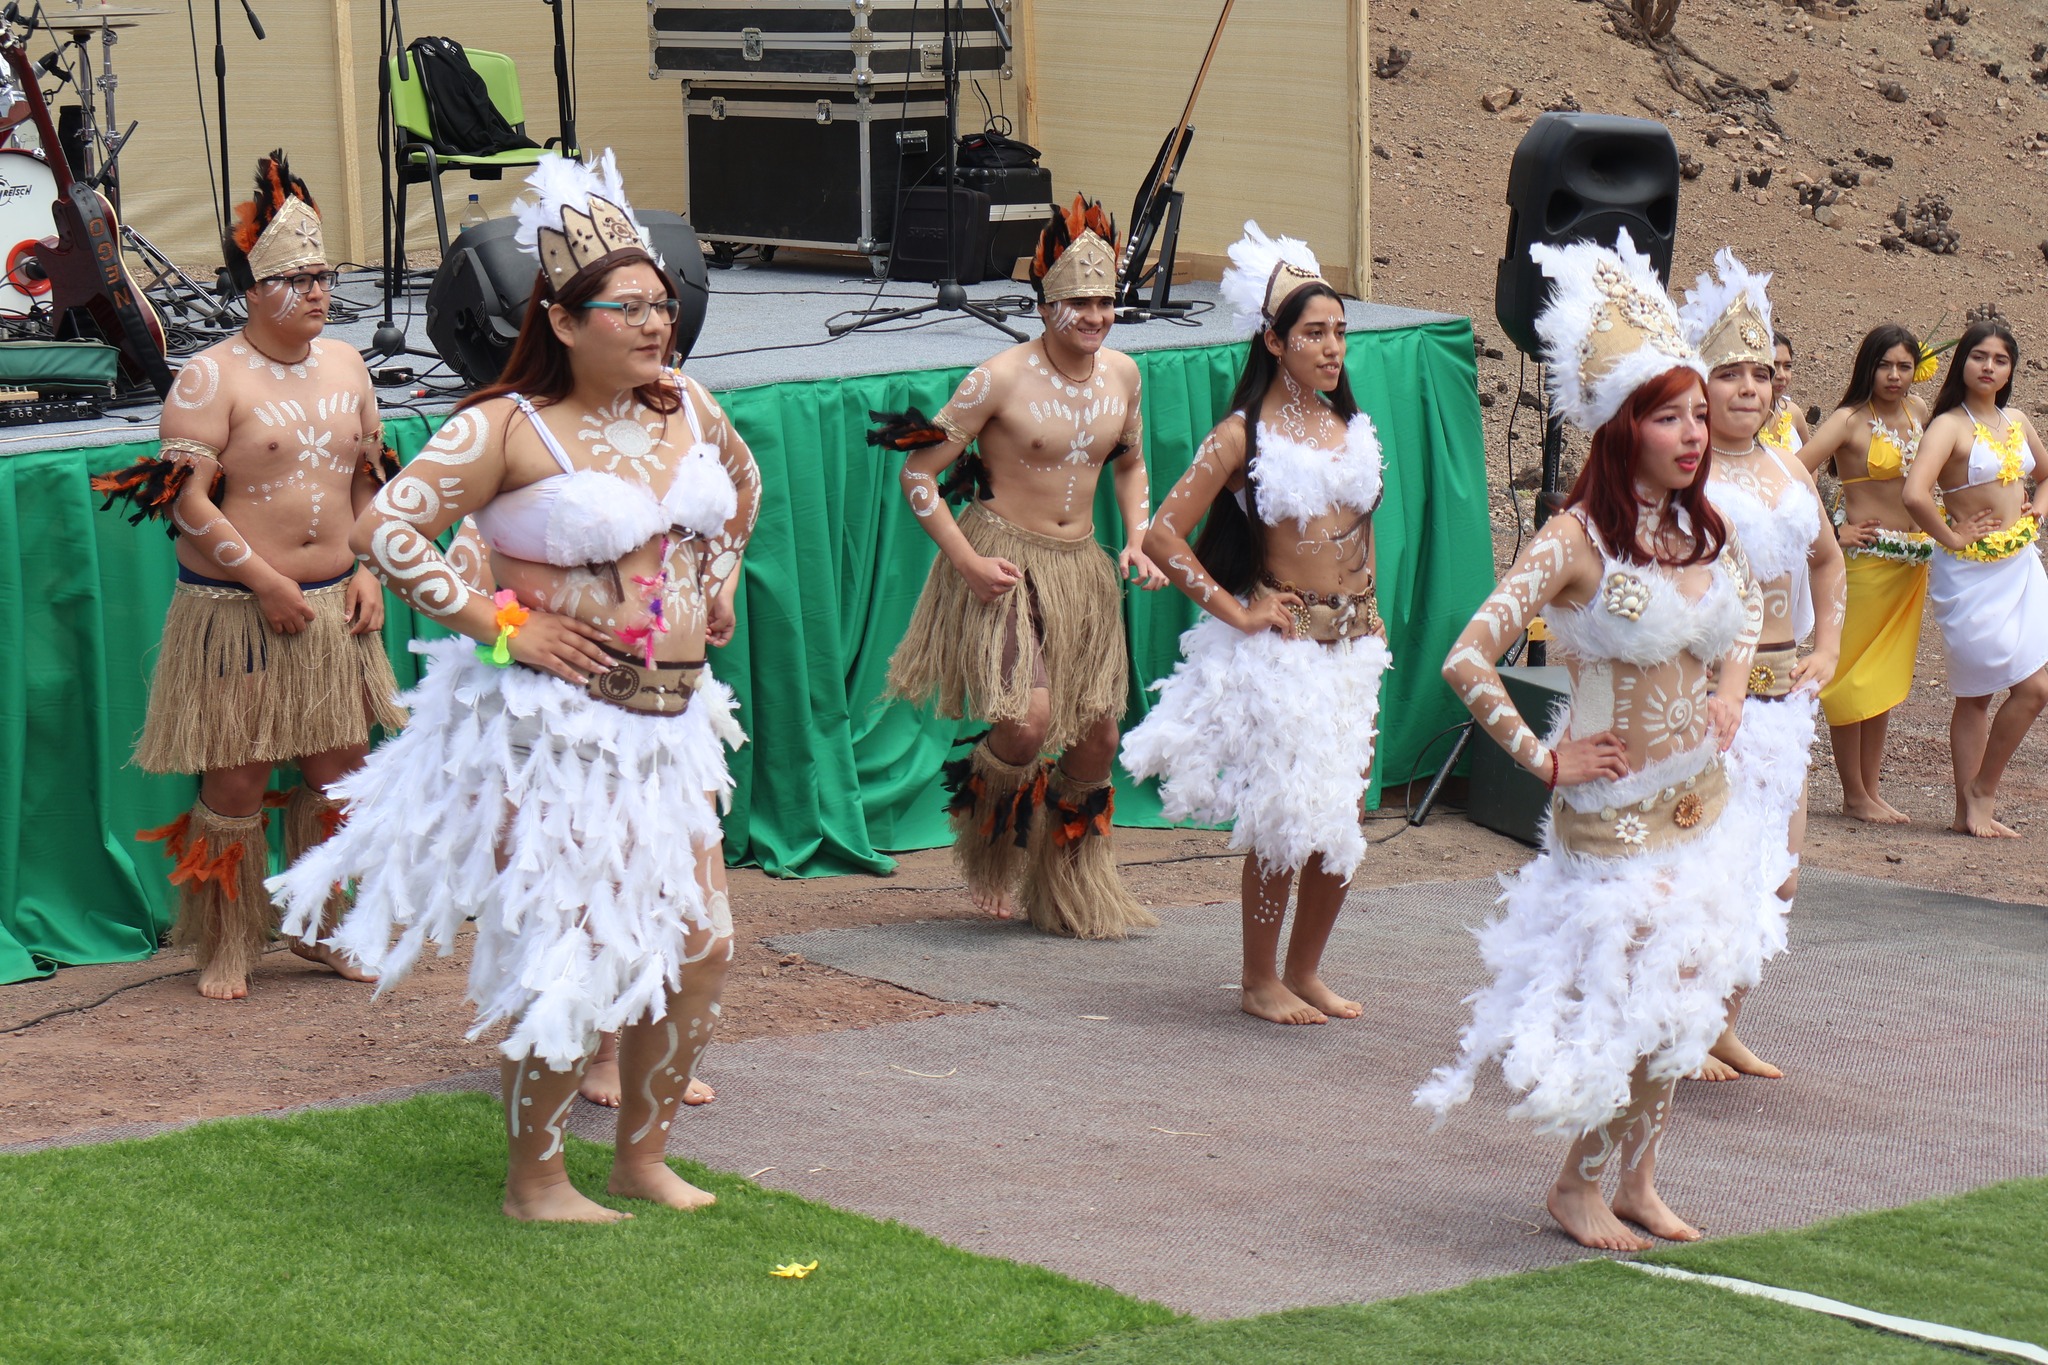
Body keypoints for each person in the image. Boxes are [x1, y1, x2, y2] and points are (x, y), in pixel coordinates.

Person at [270, 151, 759, 1222]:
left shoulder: (684, 405)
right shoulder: (504, 426)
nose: (654, 323)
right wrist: (504, 627)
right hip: (561, 727)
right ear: (565, 318)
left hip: (673, 727)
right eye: (627, 308)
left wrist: (712, 579)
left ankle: (639, 1159)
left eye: (661, 304)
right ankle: (536, 1180)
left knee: (701, 945)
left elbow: (740, 483)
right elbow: (386, 530)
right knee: (572, 951)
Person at [1417, 232, 1783, 1252]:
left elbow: (1747, 606)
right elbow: (1465, 658)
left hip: (1698, 804)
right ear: (1622, 427)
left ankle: (1637, 1182)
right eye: (1667, 416)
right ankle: (1574, 1186)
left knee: (1685, 991)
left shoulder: (1696, 531)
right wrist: (1542, 759)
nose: (1691, 434)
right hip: (1611, 813)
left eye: (1697, 416)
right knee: (1623, 999)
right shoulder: (1571, 541)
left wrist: (1724, 695)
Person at [92, 151, 402, 1001]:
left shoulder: (348, 364)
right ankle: (227, 941)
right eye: (294, 278)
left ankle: (326, 925)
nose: (314, 291)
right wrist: (264, 581)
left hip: (338, 603)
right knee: (233, 777)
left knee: (339, 772)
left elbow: (368, 478)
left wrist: (371, 566)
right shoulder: (210, 376)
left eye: (322, 275)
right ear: (251, 290)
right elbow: (183, 500)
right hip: (236, 611)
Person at [872, 196, 1165, 938]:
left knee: (1098, 739)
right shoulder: (998, 378)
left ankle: (1067, 878)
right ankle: (995, 848)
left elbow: (1129, 463)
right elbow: (917, 477)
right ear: (1045, 304)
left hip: (1083, 568)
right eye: (1078, 301)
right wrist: (967, 563)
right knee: (1029, 724)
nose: (1094, 314)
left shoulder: (1124, 376)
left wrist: (1135, 536)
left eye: (1104, 300)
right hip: (1003, 557)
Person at [1120, 224, 1390, 1026]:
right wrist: (1240, 609)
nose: (1333, 346)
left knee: (1343, 815)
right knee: (1283, 818)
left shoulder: (1350, 423)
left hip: (1355, 647)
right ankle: (1256, 977)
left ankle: (1305, 970)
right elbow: (1164, 535)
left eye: (1340, 331)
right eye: (1314, 332)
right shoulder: (1243, 433)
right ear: (1273, 341)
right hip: (1288, 649)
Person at [1678, 251, 1844, 1083]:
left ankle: (1728, 1022)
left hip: (1784, 698)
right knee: (1705, 868)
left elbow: (1828, 562)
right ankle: (1685, 1025)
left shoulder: (1788, 464)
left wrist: (1828, 648)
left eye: (1758, 373)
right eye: (1729, 374)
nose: (1748, 387)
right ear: (1699, 385)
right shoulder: (1684, 468)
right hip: (1707, 696)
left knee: (1776, 875)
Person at [1902, 318, 2048, 838]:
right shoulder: (1949, 426)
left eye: (2000, 359)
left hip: (2021, 568)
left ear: (2010, 369)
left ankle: (1979, 794)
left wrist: (2038, 511)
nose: (1989, 367)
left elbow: (2045, 473)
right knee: (1976, 693)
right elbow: (1916, 494)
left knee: (2034, 689)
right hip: (1970, 575)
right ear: (1963, 362)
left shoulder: (2018, 419)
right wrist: (1952, 536)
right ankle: (1972, 806)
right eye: (1980, 356)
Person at [1797, 326, 1934, 823]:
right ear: (1867, 366)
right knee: (1852, 678)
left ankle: (1871, 792)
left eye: (1904, 366)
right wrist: (1835, 530)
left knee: (1882, 682)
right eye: (1885, 365)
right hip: (1864, 569)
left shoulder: (1919, 413)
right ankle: (1852, 794)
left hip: (1910, 569)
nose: (1895, 376)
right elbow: (1792, 473)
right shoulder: (1848, 420)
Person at [1759, 333, 1811, 460]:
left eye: (1787, 366)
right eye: (1773, 365)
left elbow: (1811, 466)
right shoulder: (1742, 420)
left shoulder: (1793, 413)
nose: (1781, 375)